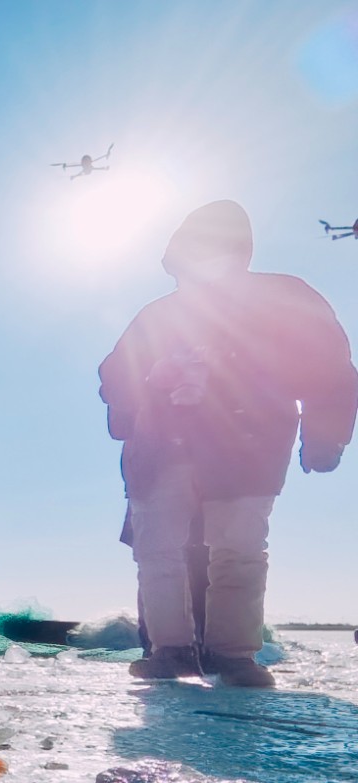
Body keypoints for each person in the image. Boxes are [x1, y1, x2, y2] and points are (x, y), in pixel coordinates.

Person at [100, 200, 357, 688]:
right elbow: (114, 377)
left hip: (247, 450)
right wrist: (148, 382)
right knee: (158, 551)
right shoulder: (158, 314)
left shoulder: (285, 298)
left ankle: (233, 654)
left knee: (239, 548)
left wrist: (326, 438)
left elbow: (332, 369)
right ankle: (169, 650)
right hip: (158, 453)